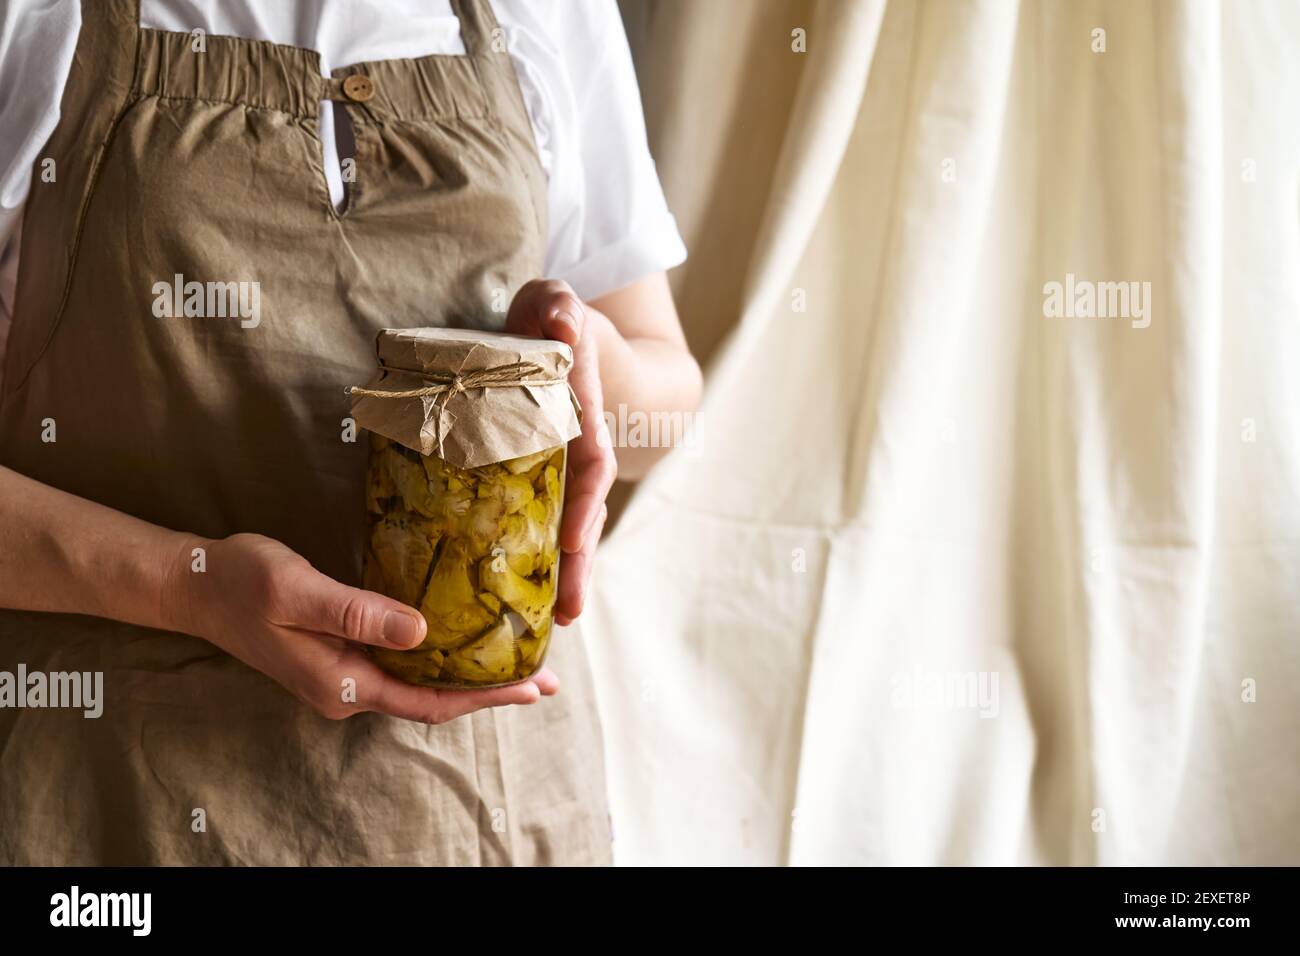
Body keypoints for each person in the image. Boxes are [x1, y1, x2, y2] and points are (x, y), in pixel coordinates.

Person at [0, 0, 702, 865]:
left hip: (482, 803)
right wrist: (181, 585)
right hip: (118, 799)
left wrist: (577, 351)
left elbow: (664, 405)